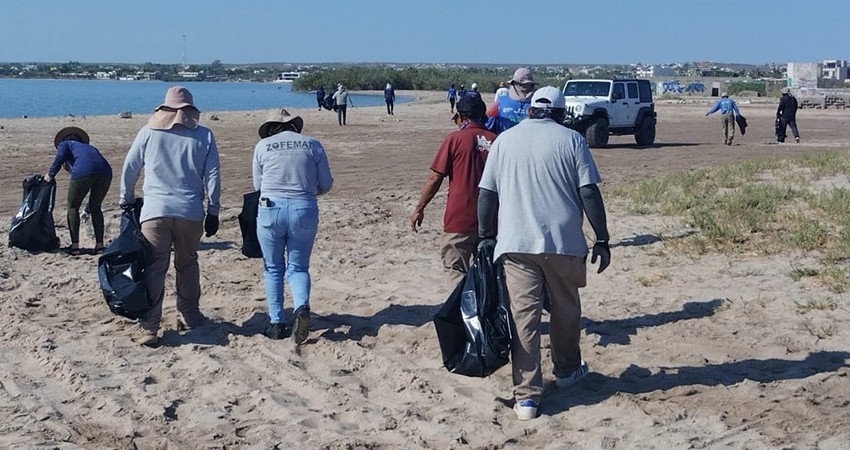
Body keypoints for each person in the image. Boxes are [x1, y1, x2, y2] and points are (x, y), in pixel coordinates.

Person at [477, 86, 611, 421]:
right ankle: (566, 372)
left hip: (517, 245)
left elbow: (486, 193)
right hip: (564, 244)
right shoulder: (572, 141)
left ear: (531, 110)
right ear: (561, 113)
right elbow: (588, 193)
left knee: (524, 320)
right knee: (566, 311)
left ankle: (526, 398)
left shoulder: (504, 141)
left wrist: (484, 236)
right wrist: (603, 239)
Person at [119, 86, 221, 347]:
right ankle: (190, 315)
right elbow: (212, 176)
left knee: (154, 267)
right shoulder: (204, 136)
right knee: (187, 264)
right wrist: (213, 210)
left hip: (155, 211)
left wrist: (126, 199)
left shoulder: (148, 132)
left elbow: (130, 167)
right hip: (190, 212)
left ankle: (150, 326)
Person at [252, 108, 333, 343]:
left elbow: (259, 185)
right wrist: (307, 192)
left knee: (273, 268)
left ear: (270, 128)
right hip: (304, 208)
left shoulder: (262, 147)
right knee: (298, 267)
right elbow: (326, 183)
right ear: (293, 126)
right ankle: (301, 306)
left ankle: (276, 323)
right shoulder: (312, 144)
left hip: (270, 209)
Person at [410, 95, 496, 285]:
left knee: (454, 268)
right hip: (492, 219)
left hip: (460, 218)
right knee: (488, 270)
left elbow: (435, 177)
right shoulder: (497, 141)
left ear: (461, 117)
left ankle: (461, 311)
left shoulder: (455, 139)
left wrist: (419, 207)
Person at [43, 126, 112, 256]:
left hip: (84, 171)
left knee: (73, 207)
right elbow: (89, 163)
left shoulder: (65, 144)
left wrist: (50, 174)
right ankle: (100, 246)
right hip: (106, 172)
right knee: (95, 207)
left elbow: (60, 158)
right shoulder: (90, 148)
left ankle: (75, 246)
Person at [486, 68, 538, 134]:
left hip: (504, 142)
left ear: (513, 83)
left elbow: (487, 127)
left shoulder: (500, 102)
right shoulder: (539, 106)